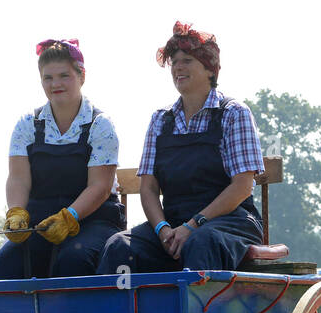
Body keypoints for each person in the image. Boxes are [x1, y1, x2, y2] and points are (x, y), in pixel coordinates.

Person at [99, 22, 264, 276]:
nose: (178, 67)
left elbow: (242, 186)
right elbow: (149, 188)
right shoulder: (160, 120)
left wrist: (194, 225)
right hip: (174, 223)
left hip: (230, 222)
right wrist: (163, 230)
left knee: (201, 242)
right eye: (174, 62)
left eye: (187, 60)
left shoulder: (233, 114)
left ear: (210, 69)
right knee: (119, 246)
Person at [0, 39, 123, 279]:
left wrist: (69, 217)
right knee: (6, 264)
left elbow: (100, 187)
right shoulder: (27, 124)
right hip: (41, 222)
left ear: (81, 76)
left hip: (94, 221)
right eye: (48, 78)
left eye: (64, 76)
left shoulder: (100, 125)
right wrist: (17, 212)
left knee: (74, 259)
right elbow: (18, 178)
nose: (56, 84)